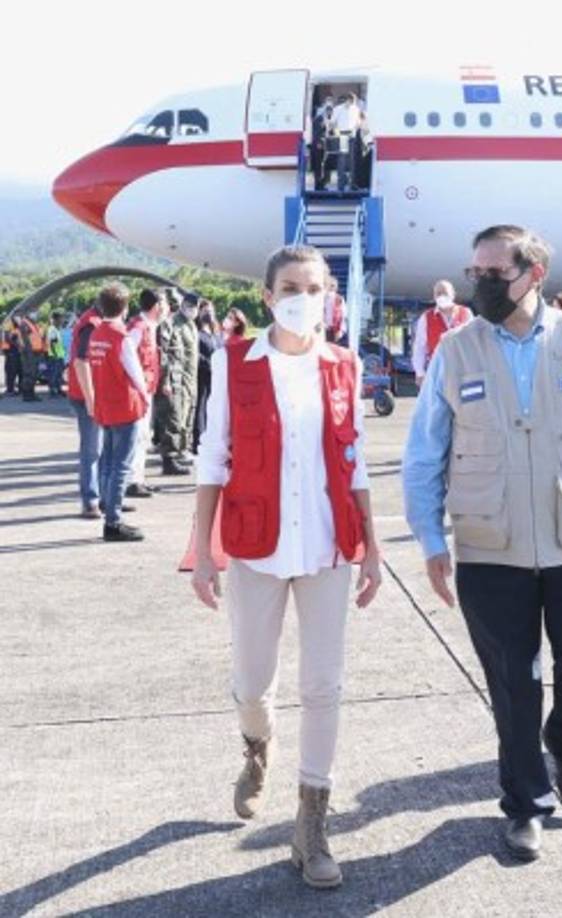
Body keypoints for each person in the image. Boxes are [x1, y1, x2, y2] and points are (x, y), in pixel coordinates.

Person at [403, 224, 562, 862]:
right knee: (513, 685)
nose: (481, 285)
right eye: (475, 274)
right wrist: (431, 539)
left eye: (495, 274)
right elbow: (422, 455)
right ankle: (525, 805)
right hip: (491, 548)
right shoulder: (456, 349)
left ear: (533, 275)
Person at [192, 244, 382, 889]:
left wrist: (373, 549)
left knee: (324, 687)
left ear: (331, 296)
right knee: (252, 682)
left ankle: (311, 823)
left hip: (328, 545)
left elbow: (353, 458)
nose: (307, 297)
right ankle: (256, 745)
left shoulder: (343, 365)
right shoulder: (234, 362)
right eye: (292, 287)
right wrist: (202, 554)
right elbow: (213, 458)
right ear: (268, 297)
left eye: (317, 287)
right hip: (256, 546)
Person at [87, 283, 150, 542]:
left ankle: (107, 505)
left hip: (106, 406)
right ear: (124, 307)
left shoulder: (96, 334)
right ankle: (113, 521)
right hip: (125, 406)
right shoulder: (120, 337)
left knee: (108, 462)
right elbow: (135, 373)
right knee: (121, 466)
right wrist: (145, 398)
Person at [126, 289, 163, 498]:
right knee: (138, 436)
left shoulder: (149, 326)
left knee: (143, 437)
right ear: (156, 306)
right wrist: (139, 386)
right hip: (139, 392)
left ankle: (139, 478)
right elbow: (128, 358)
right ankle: (133, 480)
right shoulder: (138, 328)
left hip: (147, 390)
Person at [68, 299, 104, 518]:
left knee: (99, 449)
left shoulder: (95, 321)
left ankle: (102, 498)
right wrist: (91, 401)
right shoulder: (91, 324)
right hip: (86, 396)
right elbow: (81, 362)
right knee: (92, 450)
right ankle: (90, 500)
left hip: (92, 394)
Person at [411, 281, 473, 387]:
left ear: (453, 294)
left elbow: (473, 344)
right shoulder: (426, 318)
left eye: (444, 292)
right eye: (438, 293)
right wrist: (419, 373)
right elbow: (419, 348)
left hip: (462, 372)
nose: (441, 296)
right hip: (437, 373)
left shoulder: (466, 314)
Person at [156, 289, 189, 476]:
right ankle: (168, 460)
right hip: (169, 381)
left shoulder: (169, 323)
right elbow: (164, 355)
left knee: (174, 419)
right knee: (170, 419)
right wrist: (166, 380)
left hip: (176, 378)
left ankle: (171, 457)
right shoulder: (164, 325)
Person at [174, 293, 200, 461]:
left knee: (190, 414)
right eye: (190, 306)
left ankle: (185, 448)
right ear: (183, 305)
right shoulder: (176, 324)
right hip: (182, 378)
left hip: (192, 378)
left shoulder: (191, 325)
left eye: (195, 307)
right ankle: (178, 451)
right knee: (180, 417)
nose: (193, 310)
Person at [194, 298, 220, 451]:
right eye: (204, 310)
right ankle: (198, 441)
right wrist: (210, 365)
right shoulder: (197, 332)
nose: (208, 313)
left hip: (215, 377)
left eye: (210, 310)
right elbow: (196, 355)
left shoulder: (215, 333)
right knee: (201, 408)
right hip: (202, 375)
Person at [331, 93, 361, 191]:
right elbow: (332, 123)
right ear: (347, 100)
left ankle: (352, 184)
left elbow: (358, 122)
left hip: (352, 135)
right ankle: (341, 185)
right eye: (350, 101)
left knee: (352, 160)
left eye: (352, 102)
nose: (351, 103)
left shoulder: (356, 109)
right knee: (342, 160)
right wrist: (337, 133)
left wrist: (355, 130)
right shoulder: (337, 109)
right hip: (342, 135)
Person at [19, 310, 46, 402]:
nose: (36, 314)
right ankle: (27, 395)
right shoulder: (25, 324)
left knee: (33, 374)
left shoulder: (32, 324)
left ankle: (31, 393)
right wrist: (30, 354)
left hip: (35, 353)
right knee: (29, 374)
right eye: (34, 312)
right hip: (29, 353)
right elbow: (26, 341)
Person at [45, 311, 67, 397]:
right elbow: (52, 343)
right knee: (53, 374)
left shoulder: (57, 329)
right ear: (55, 319)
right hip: (54, 356)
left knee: (59, 373)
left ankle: (58, 389)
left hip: (59, 355)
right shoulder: (52, 329)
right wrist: (55, 354)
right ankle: (53, 390)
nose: (62, 320)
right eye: (61, 318)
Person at [323, 277, 347, 343]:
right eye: (330, 285)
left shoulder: (339, 299)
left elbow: (343, 316)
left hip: (334, 330)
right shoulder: (321, 298)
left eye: (333, 285)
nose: (331, 287)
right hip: (322, 329)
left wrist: (341, 330)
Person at [3, 317, 22, 395]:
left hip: (13, 353)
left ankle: (11, 389)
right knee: (12, 371)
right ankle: (11, 389)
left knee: (13, 372)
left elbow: (11, 340)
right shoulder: (12, 330)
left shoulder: (14, 331)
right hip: (11, 352)